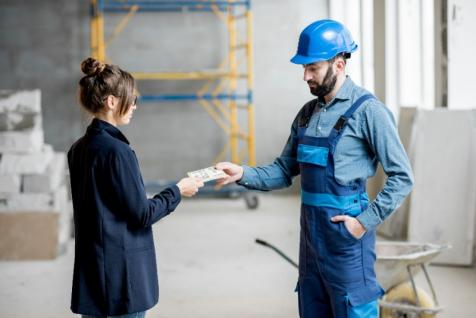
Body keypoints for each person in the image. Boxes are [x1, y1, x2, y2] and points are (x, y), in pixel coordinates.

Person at [216, 19, 414, 317]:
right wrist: (242, 174)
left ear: (338, 64)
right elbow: (284, 170)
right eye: (304, 68)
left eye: (313, 68)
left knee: (353, 310)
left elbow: (402, 177)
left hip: (347, 241)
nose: (305, 76)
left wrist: (363, 222)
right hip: (310, 241)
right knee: (312, 308)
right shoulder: (307, 115)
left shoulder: (369, 112)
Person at [68, 57, 204, 318]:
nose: (135, 106)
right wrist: (177, 190)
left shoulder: (79, 149)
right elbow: (142, 214)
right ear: (111, 102)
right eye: (131, 99)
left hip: (94, 273)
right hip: (122, 277)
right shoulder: (117, 152)